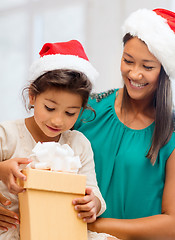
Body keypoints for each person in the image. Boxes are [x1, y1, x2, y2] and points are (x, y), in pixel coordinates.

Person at [74, 8, 175, 239]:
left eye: (147, 67)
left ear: (164, 72)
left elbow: (172, 225)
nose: (134, 74)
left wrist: (96, 226)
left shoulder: (172, 132)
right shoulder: (89, 109)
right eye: (128, 61)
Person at [0, 40, 117, 240]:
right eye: (50, 108)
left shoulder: (78, 143)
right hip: (12, 229)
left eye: (70, 113)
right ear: (32, 96)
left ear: (81, 110)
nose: (58, 120)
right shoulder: (7, 134)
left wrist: (93, 204)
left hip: (61, 230)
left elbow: (92, 190)